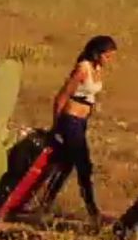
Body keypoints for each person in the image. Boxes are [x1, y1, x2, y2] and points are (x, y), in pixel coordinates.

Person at [48, 35, 117, 227]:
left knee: (67, 164)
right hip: (70, 120)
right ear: (97, 53)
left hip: (81, 122)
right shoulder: (82, 68)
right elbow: (62, 96)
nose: (108, 60)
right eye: (107, 56)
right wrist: (56, 126)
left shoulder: (97, 69)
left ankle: (45, 203)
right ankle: (92, 210)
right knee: (83, 165)